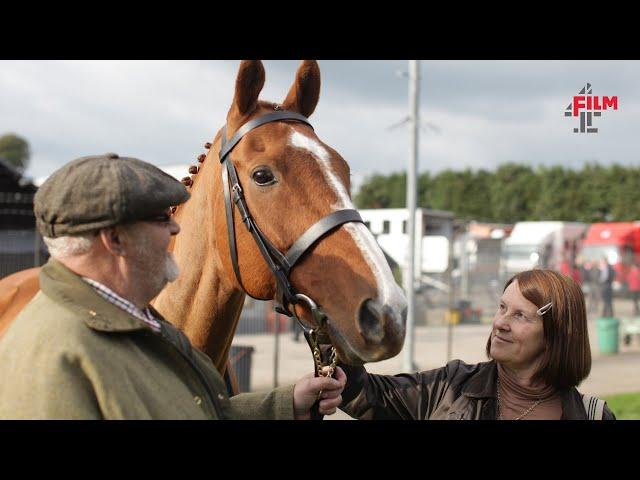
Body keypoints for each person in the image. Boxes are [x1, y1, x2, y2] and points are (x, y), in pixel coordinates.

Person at [0, 153, 345, 420]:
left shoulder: (131, 317)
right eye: (162, 218)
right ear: (115, 238)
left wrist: (287, 404)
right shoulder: (55, 353)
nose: (176, 230)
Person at [338, 269, 615, 420]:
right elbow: (362, 394)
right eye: (502, 308)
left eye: (520, 315)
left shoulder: (593, 415)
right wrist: (334, 318)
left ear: (557, 334)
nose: (500, 323)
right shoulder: (451, 388)